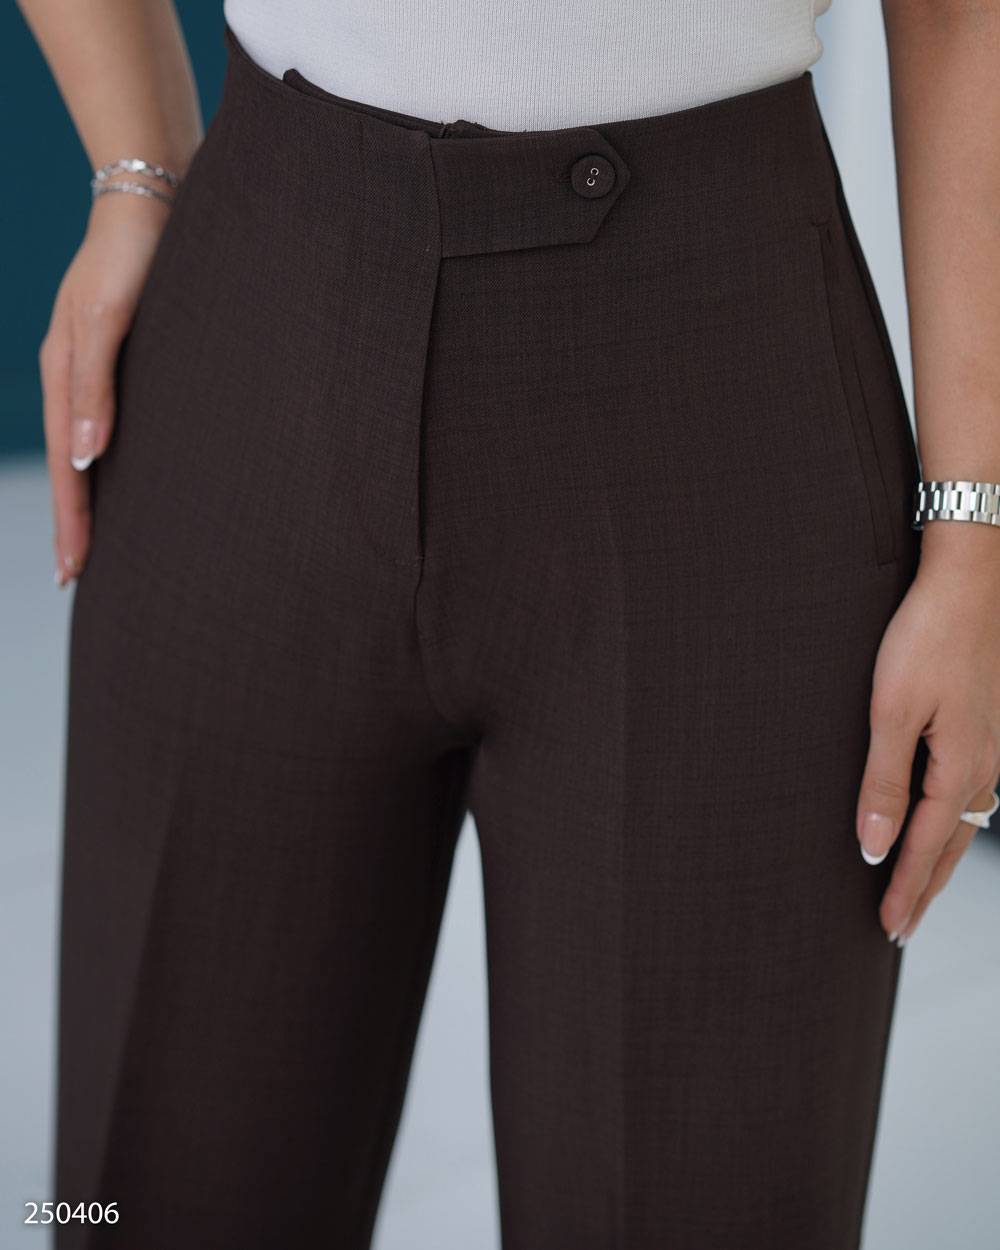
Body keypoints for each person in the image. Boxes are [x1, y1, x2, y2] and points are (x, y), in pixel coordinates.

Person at [19, 0, 1000, 1246]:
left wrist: (974, 537)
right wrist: (135, 168)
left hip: (721, 399)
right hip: (263, 302)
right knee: (149, 1203)